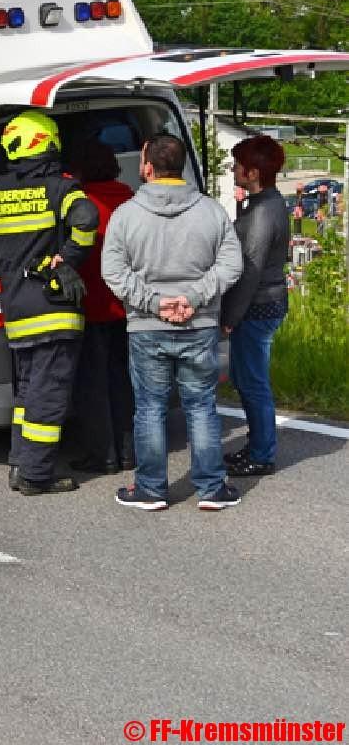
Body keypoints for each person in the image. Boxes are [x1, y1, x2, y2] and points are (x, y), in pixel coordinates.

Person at [0, 110, 99, 495]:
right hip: (54, 308)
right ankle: (35, 476)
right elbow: (87, 218)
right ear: (47, 142)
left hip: (16, 311)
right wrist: (67, 259)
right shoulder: (61, 189)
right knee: (48, 398)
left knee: (28, 393)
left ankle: (20, 464)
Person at [101, 134, 244, 511]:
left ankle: (150, 489)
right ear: (180, 165)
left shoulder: (126, 215)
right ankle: (212, 489)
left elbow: (113, 272)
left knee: (149, 407)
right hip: (199, 325)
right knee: (201, 406)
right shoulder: (211, 211)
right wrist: (193, 298)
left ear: (146, 166)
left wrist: (155, 303)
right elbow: (231, 265)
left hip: (147, 327)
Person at [220, 135, 290, 479]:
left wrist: (230, 317)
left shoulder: (263, 212)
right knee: (245, 377)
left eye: (237, 165)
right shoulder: (264, 203)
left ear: (252, 172)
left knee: (252, 381)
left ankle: (262, 454)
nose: (233, 169)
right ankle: (257, 445)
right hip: (264, 302)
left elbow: (250, 269)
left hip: (258, 304)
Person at [65, 139, 134, 475]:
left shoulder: (81, 203)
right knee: (122, 380)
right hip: (126, 305)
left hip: (92, 303)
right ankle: (127, 450)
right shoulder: (129, 198)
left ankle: (101, 454)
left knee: (93, 384)